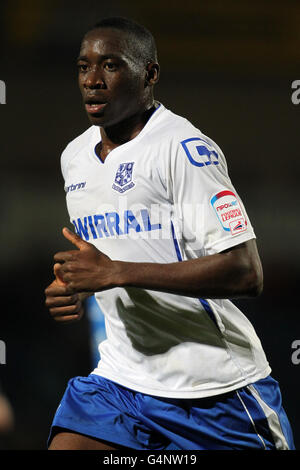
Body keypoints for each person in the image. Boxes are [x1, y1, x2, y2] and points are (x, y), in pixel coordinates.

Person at [44, 16, 295, 450]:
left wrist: (115, 273)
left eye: (111, 66)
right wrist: (73, 282)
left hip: (213, 390)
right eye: (84, 67)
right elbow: (109, 254)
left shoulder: (184, 150)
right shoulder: (75, 157)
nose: (93, 81)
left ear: (150, 74)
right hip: (121, 382)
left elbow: (245, 273)